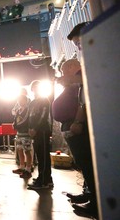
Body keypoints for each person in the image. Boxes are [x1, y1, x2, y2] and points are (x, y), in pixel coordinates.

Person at [65, 22, 98, 218]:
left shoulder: (98, 57)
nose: (78, 47)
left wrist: (78, 120)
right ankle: (91, 195)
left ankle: (96, 202)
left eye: (79, 42)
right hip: (84, 118)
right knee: (86, 164)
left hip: (94, 119)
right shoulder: (88, 60)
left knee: (90, 163)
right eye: (76, 44)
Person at [27, 80, 53, 190]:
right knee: (39, 156)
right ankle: (45, 178)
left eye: (38, 87)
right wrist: (30, 128)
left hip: (42, 131)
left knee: (43, 156)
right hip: (35, 132)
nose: (36, 89)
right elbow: (29, 116)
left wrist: (36, 129)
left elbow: (43, 116)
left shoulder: (44, 100)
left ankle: (43, 182)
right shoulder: (32, 102)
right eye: (34, 87)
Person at [12, 94, 33, 179]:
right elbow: (16, 120)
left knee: (27, 151)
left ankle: (28, 170)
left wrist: (18, 125)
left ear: (25, 100)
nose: (20, 102)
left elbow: (26, 121)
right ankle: (22, 167)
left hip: (26, 134)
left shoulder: (28, 110)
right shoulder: (18, 110)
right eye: (19, 100)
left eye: (22, 100)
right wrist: (14, 124)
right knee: (19, 150)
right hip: (19, 133)